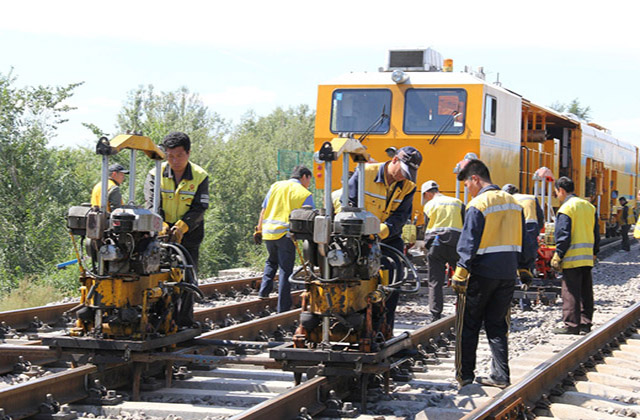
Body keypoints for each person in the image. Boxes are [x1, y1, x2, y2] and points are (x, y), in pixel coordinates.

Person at [451, 159, 527, 389]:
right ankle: (501, 376)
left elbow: (469, 241)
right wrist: (524, 267)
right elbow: (526, 239)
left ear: (475, 178)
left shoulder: (479, 204)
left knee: (468, 325)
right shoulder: (514, 203)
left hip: (481, 274)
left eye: (467, 184)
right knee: (497, 325)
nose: (467, 189)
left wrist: (461, 272)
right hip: (507, 274)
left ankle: (464, 376)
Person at [346, 146, 423, 335]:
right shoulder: (365, 173)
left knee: (392, 284)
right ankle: (355, 323)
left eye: (408, 174)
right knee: (354, 279)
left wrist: (384, 230)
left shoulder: (408, 187)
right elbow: (349, 202)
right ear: (395, 160)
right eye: (402, 172)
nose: (403, 177)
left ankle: (384, 328)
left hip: (389, 239)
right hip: (360, 238)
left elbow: (401, 216)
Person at [144, 132, 209, 327]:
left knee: (186, 277)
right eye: (170, 156)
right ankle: (158, 321)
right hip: (160, 236)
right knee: (156, 276)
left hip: (189, 236)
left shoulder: (200, 176)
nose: (175, 160)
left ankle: (184, 322)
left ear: (188, 153)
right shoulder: (155, 173)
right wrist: (161, 224)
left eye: (179, 155)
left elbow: (200, 207)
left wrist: (182, 226)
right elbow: (150, 203)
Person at [254, 165, 314, 313]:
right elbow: (310, 217)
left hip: (268, 233)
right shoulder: (304, 193)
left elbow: (264, 210)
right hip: (286, 235)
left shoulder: (275, 186)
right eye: (309, 180)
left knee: (271, 261)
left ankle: (263, 292)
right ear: (304, 177)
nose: (309, 184)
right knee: (285, 270)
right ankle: (283, 306)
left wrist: (259, 229)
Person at [550, 176, 599, 335]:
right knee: (586, 291)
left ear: (562, 191)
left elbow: (563, 235)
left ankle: (571, 325)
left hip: (572, 258)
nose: (557, 196)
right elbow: (596, 233)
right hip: (586, 257)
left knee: (570, 292)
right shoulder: (589, 206)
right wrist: (594, 252)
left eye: (557, 192)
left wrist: (558, 255)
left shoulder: (566, 209)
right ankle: (585, 323)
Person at [421, 179, 464, 321]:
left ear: (427, 193)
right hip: (456, 245)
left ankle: (435, 315)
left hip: (436, 245)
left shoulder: (429, 205)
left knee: (435, 282)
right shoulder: (457, 202)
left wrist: (427, 246)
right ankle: (465, 310)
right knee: (462, 279)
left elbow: (427, 228)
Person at [501, 184, 544, 286]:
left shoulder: (508, 200)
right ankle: (527, 278)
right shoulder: (531, 198)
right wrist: (537, 231)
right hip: (531, 227)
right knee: (529, 257)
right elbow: (540, 217)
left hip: (515, 227)